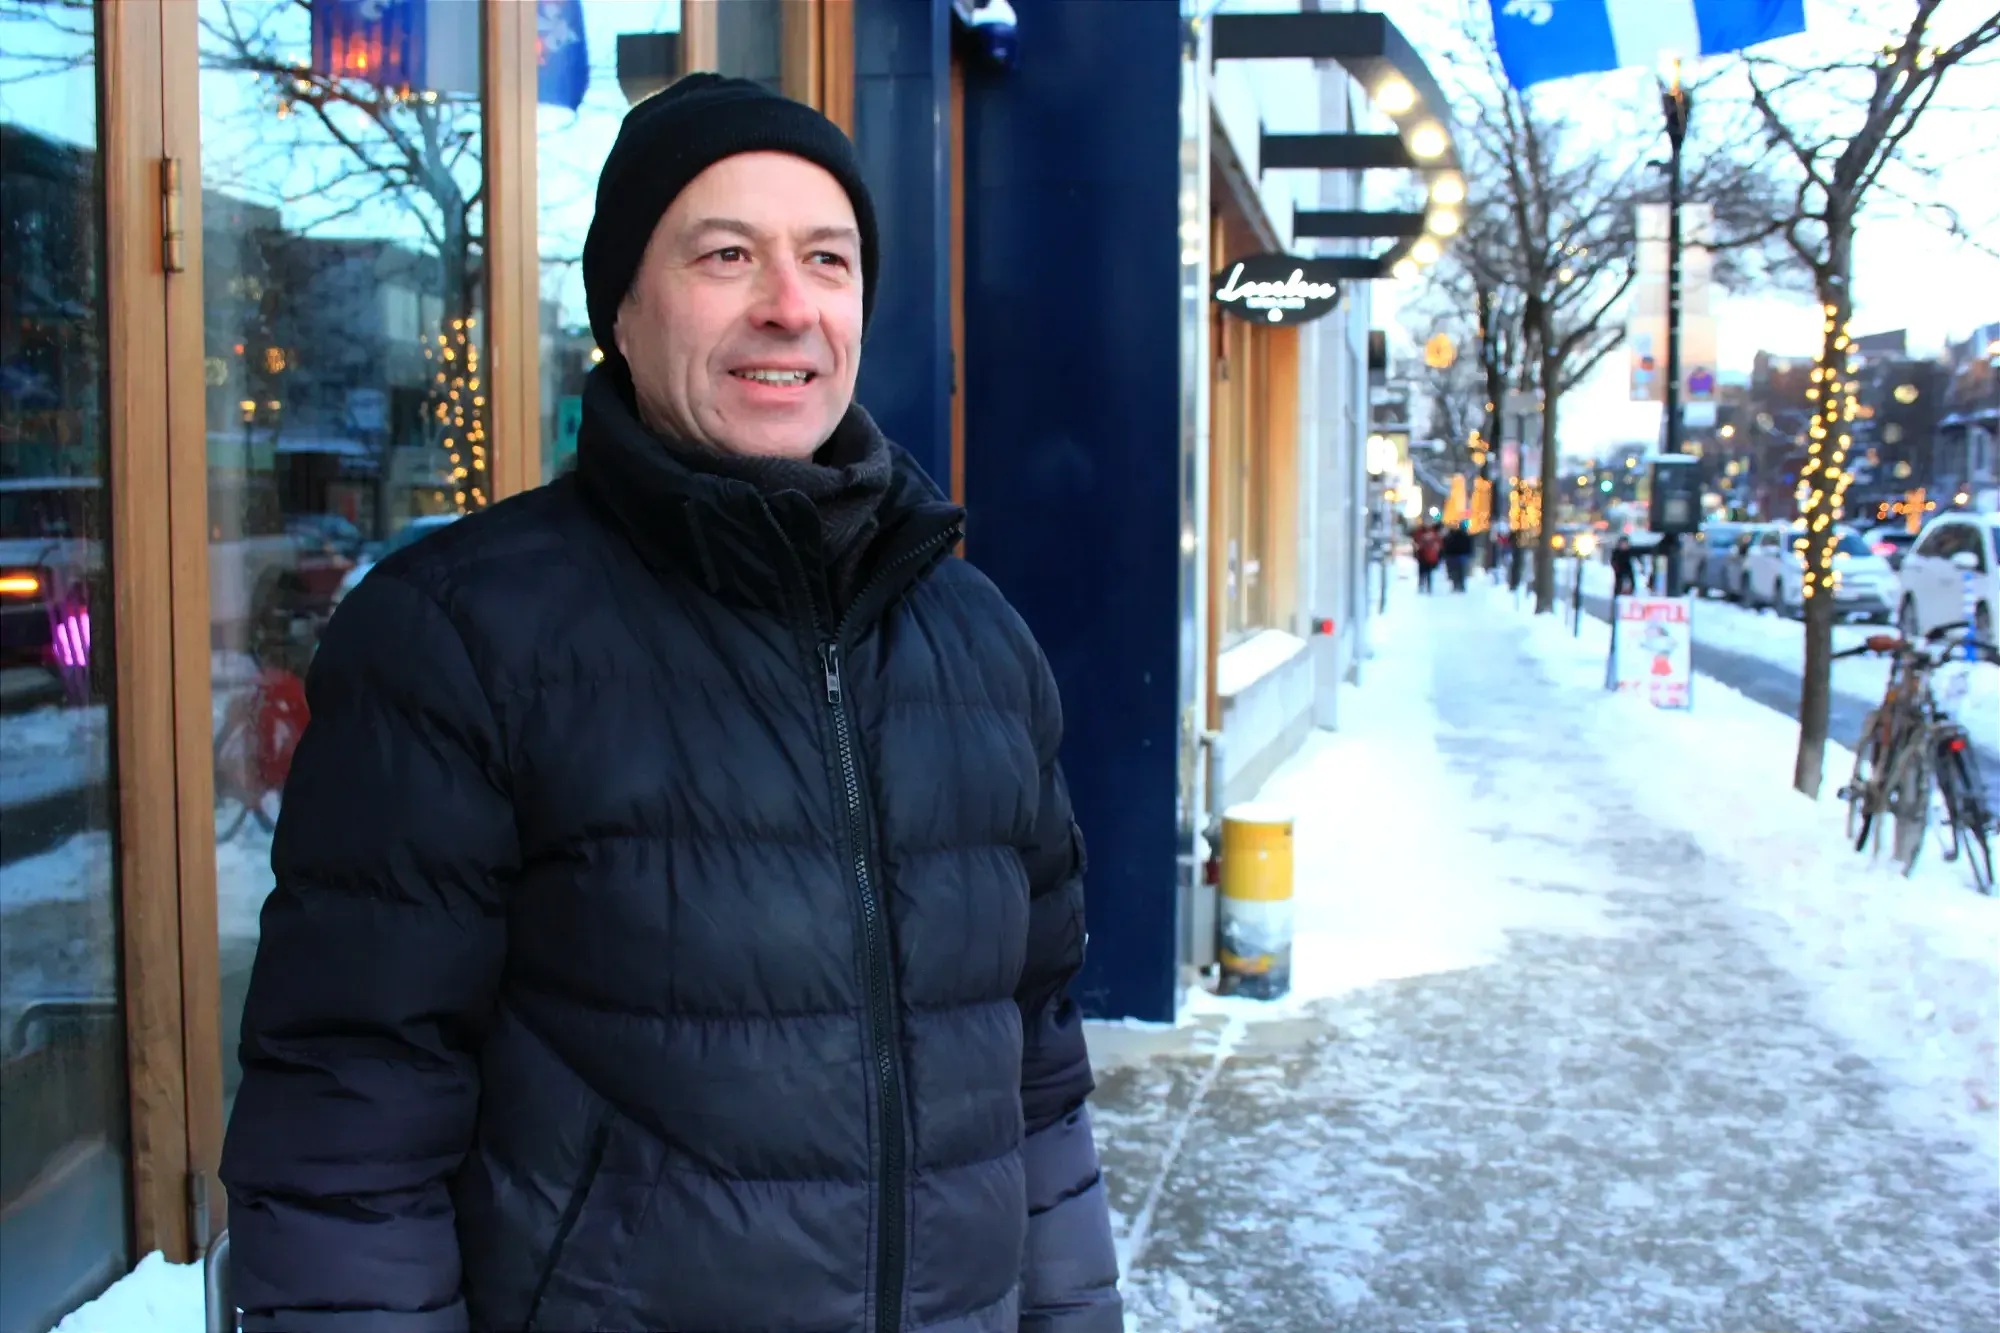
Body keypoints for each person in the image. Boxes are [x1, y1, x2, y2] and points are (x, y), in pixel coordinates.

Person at [220, 75, 1122, 1333]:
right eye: (724, 255)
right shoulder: (457, 637)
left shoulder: (976, 646)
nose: (789, 306)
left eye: (827, 258)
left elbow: (1036, 1078)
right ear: (623, 314)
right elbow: (349, 1125)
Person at [1442, 520, 1475, 593]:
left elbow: (1447, 546)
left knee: (1455, 571)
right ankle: (1460, 585)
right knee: (1461, 571)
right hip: (1461, 556)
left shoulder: (1451, 536)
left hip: (1453, 556)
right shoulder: (1466, 536)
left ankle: (1456, 585)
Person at [1413, 521, 1443, 593]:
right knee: (1425, 573)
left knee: (1424, 573)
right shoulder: (1432, 535)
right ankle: (1426, 587)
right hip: (1425, 557)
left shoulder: (1424, 534)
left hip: (1426, 557)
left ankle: (1424, 586)